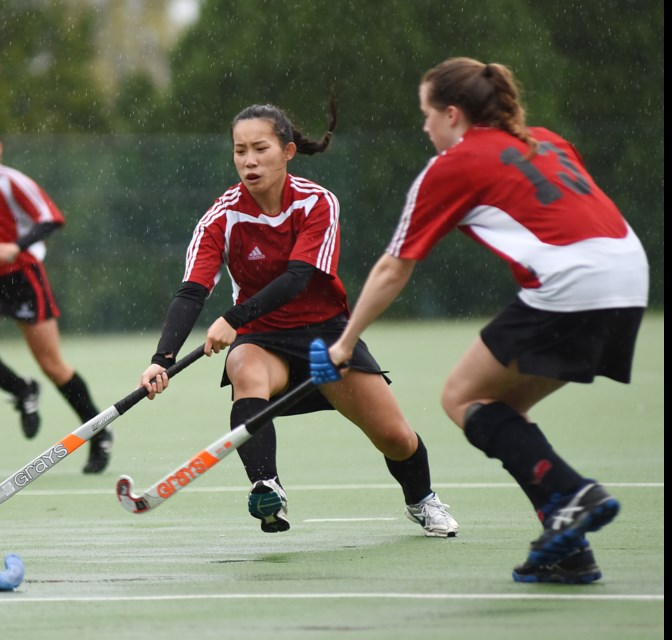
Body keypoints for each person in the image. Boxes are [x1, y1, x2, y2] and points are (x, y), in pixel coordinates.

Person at [312, 57, 649, 584]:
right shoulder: (547, 140)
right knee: (506, 409)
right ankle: (569, 549)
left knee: (462, 398)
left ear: (452, 114)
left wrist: (344, 343)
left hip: (573, 282)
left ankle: (572, 493)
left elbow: (394, 267)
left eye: (427, 114)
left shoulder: (453, 164)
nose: (424, 127)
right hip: (629, 277)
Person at [138, 100, 459, 537]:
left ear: (287, 151)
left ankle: (421, 500)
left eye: (260, 148)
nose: (248, 161)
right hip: (263, 337)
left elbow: (298, 277)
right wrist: (163, 357)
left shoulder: (316, 203)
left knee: (396, 438)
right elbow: (193, 290)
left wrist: (233, 316)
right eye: (239, 151)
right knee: (243, 368)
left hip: (326, 335)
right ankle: (266, 487)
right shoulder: (221, 217)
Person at [0, 116, 112, 474]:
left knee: (53, 365)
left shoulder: (11, 182)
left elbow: (51, 219)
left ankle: (98, 431)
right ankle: (21, 390)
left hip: (22, 278)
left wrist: (16, 245)